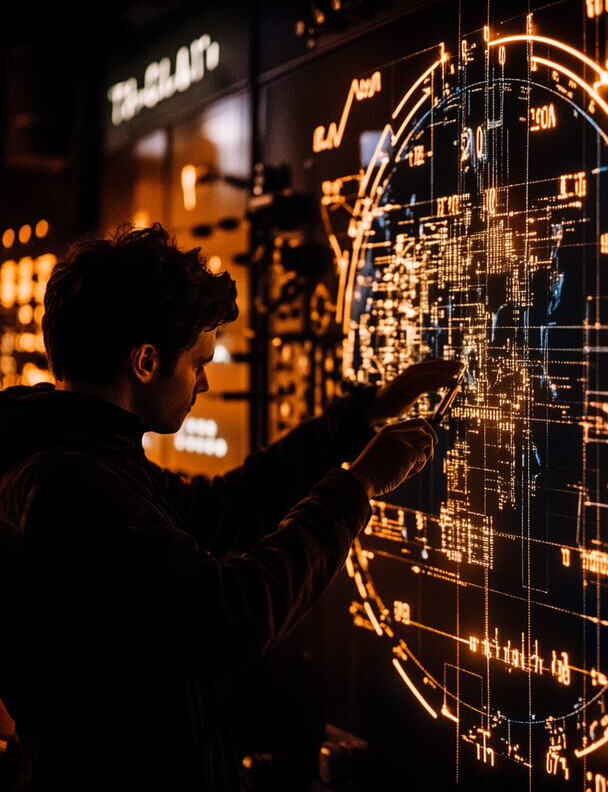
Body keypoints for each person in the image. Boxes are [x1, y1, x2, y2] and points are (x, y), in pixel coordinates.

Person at [0, 224, 461, 791]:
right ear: (145, 361)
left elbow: (226, 508)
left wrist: (360, 418)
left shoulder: (79, 451)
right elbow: (229, 616)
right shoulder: (70, 488)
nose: (204, 383)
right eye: (198, 362)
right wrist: (358, 486)